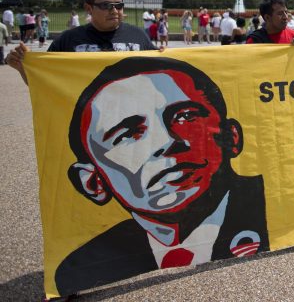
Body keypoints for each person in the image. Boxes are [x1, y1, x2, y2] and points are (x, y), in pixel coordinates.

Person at [54, 56, 269, 296]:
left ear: (231, 137)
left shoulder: (283, 213)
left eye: (186, 117)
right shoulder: (82, 270)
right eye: (127, 134)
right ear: (93, 182)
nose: (167, 142)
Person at [7, 0, 156, 85]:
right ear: (89, 9)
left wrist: (164, 55)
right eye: (106, 5)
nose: (115, 11)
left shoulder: (139, 36)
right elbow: (45, 84)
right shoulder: (68, 40)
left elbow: (161, 75)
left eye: (119, 5)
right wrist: (21, 68)